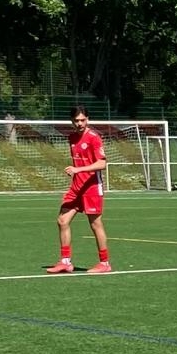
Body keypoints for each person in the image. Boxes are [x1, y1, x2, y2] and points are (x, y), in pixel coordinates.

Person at [44, 106, 112, 275]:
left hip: (91, 187)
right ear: (72, 121)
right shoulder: (72, 137)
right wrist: (76, 173)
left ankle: (104, 263)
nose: (80, 123)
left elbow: (102, 163)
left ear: (87, 119)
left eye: (82, 120)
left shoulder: (94, 138)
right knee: (62, 220)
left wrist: (78, 170)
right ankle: (65, 262)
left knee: (95, 224)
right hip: (76, 187)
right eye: (76, 120)